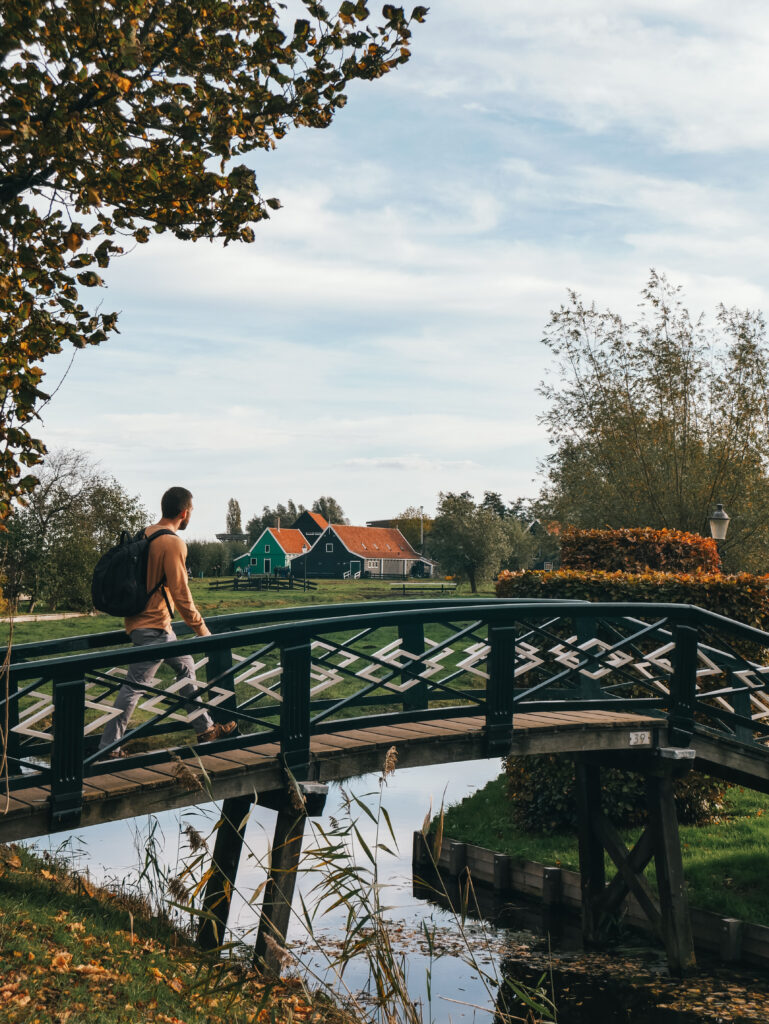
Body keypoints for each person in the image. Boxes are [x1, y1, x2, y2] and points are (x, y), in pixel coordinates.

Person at [98, 486, 236, 758]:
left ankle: (205, 728)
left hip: (146, 622)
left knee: (185, 666)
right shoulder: (173, 542)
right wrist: (203, 630)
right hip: (154, 628)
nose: (191, 515)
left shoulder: (148, 533)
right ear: (184, 512)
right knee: (135, 686)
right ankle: (108, 748)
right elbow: (181, 594)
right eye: (192, 511)